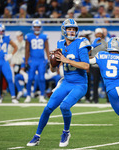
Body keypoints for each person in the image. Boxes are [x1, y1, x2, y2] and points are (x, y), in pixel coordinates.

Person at [26, 19, 91, 147]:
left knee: (64, 106)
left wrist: (65, 59)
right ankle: (37, 136)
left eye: (73, 29)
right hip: (66, 82)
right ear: (64, 30)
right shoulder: (60, 43)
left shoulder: (81, 43)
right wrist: (53, 61)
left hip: (80, 83)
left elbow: (86, 66)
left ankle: (66, 132)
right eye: (69, 29)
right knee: (48, 108)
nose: (71, 31)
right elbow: (53, 69)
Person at [24, 19, 50, 103]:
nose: (37, 28)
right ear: (33, 27)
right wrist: (26, 61)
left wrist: (48, 60)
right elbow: (27, 50)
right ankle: (28, 95)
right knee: (30, 78)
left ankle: (42, 96)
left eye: (38, 27)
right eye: (35, 27)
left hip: (41, 60)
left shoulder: (44, 36)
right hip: (32, 60)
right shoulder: (29, 36)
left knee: (42, 78)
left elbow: (47, 49)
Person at [90, 28, 107, 103]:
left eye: (100, 33)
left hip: (103, 66)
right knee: (95, 83)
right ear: (95, 34)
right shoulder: (91, 43)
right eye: (98, 33)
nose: (99, 35)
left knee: (106, 83)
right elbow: (88, 53)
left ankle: (109, 100)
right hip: (94, 66)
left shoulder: (105, 43)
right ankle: (95, 99)